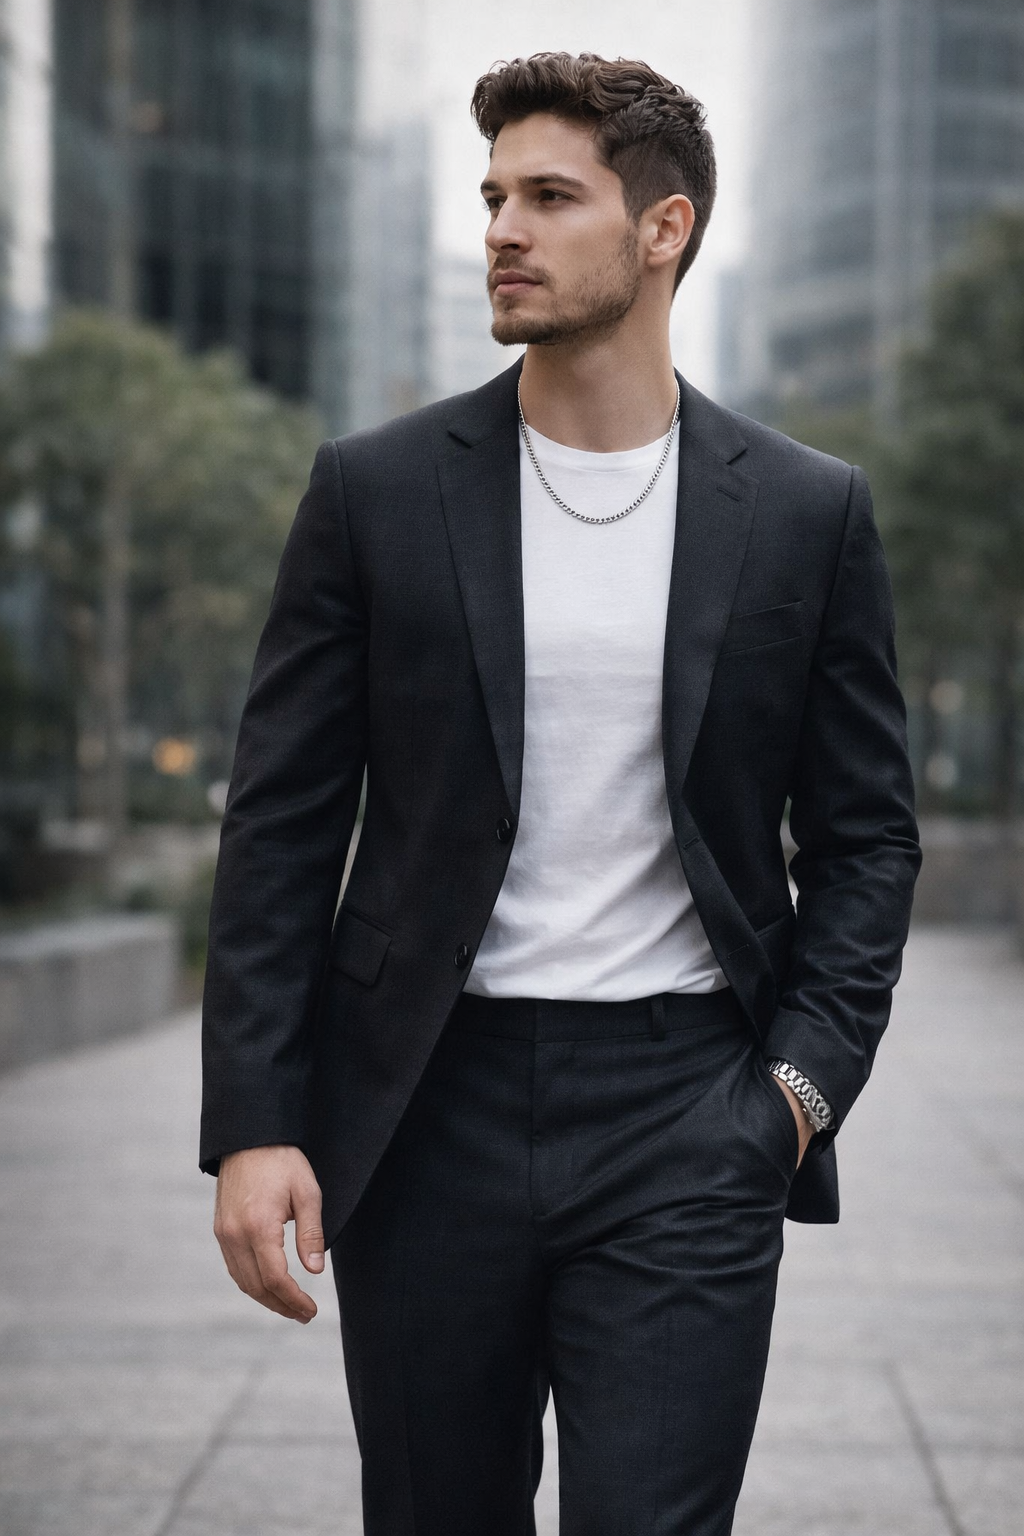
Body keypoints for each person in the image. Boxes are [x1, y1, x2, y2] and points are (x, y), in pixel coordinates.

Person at [201, 52, 921, 1535]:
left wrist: (793, 1095)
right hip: (424, 1106)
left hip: (688, 1111)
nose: (502, 232)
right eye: (491, 200)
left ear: (663, 230)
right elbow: (278, 824)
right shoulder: (376, 491)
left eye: (548, 197)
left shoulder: (802, 511)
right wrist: (255, 1124)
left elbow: (867, 836)